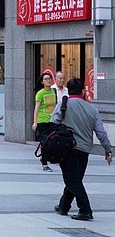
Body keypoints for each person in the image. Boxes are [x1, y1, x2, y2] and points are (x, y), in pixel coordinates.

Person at [51, 78, 112, 221]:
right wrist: (108, 149)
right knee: (75, 178)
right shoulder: (92, 108)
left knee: (73, 180)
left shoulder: (63, 104)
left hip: (68, 148)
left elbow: (53, 123)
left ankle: (85, 210)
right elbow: (101, 132)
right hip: (85, 150)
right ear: (83, 91)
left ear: (68, 90)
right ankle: (63, 206)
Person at [34, 72, 57, 172]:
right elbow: (37, 108)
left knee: (53, 142)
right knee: (45, 142)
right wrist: (35, 122)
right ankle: (44, 164)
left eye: (49, 79)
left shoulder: (54, 91)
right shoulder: (40, 93)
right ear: (42, 82)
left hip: (52, 120)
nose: (48, 80)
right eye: (46, 79)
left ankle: (44, 157)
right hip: (42, 120)